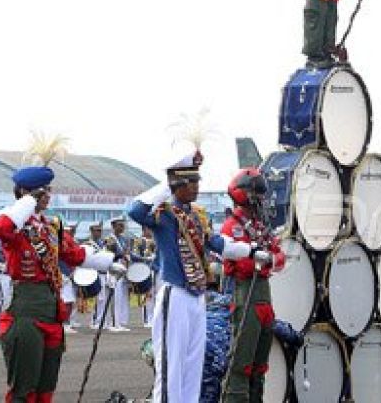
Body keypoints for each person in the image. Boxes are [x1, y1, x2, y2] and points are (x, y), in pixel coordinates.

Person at [129, 153, 273, 403]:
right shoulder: (164, 214)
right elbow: (134, 210)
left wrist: (250, 250)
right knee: (171, 367)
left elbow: (218, 244)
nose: (197, 187)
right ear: (178, 185)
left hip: (197, 296)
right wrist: (167, 183)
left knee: (192, 366)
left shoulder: (195, 216)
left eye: (197, 181)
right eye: (191, 182)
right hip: (175, 295)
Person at [0, 152, 120, 402]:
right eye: (42, 193)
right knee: (24, 389)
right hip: (26, 312)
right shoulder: (15, 223)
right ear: (27, 195)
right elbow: (3, 229)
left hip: (52, 310)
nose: (48, 196)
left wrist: (109, 263)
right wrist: (29, 200)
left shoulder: (52, 226)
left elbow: (73, 254)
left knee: (46, 387)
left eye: (47, 191)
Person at [220, 168, 287, 402]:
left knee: (260, 366)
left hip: (263, 296)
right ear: (242, 193)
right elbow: (244, 265)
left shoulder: (260, 226)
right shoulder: (233, 226)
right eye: (256, 192)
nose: (260, 198)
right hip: (245, 293)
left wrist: (267, 259)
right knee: (242, 363)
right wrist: (267, 258)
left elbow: (280, 259)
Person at [104, 216, 134, 331]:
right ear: (113, 226)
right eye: (119, 225)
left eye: (123, 225)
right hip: (113, 270)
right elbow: (109, 255)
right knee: (115, 297)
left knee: (121, 297)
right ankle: (113, 323)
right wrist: (122, 254)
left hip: (122, 270)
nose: (122, 227)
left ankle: (120, 322)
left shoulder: (123, 239)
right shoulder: (110, 239)